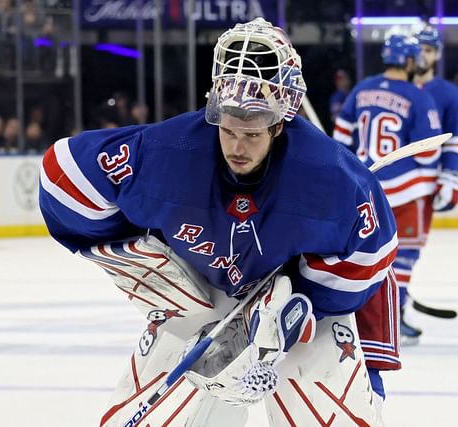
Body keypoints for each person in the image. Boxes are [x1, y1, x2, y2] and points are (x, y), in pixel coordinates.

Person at [39, 18, 399, 426]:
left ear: (280, 124)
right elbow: (62, 177)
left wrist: (297, 301)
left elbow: (374, 256)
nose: (237, 147)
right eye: (228, 128)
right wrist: (141, 253)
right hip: (200, 294)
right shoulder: (168, 152)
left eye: (253, 132)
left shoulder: (331, 176)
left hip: (299, 312)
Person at [333, 33, 443, 345]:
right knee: (405, 254)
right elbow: (429, 152)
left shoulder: (363, 88)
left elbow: (340, 139)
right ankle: (396, 315)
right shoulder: (418, 96)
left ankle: (358, 317)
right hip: (404, 190)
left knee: (364, 254)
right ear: (409, 60)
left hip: (365, 187)